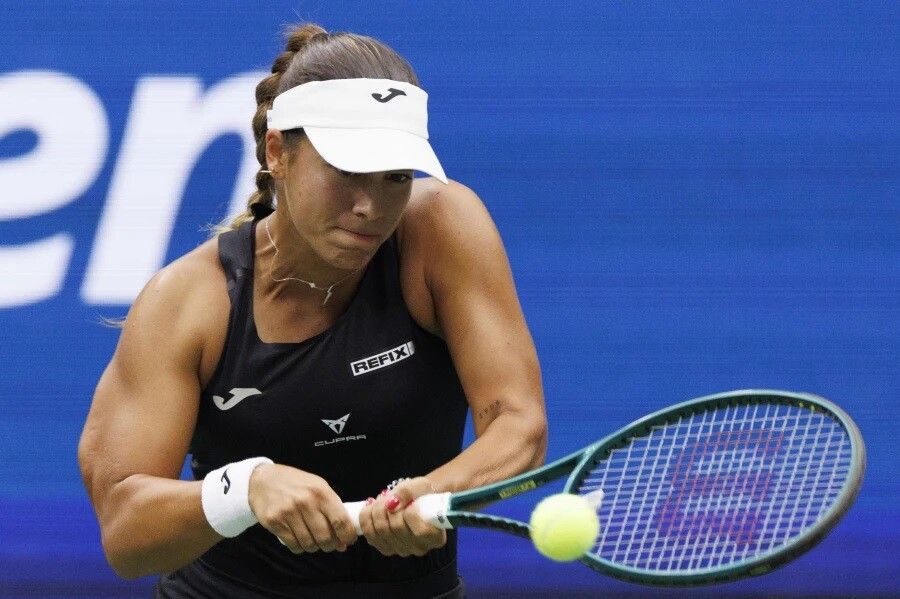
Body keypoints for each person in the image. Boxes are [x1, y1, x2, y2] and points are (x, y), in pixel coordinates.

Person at [78, 22, 547, 599]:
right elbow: (125, 534)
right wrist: (246, 488)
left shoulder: (442, 229)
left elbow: (518, 424)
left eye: (396, 176)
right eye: (347, 171)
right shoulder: (186, 302)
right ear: (280, 152)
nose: (370, 206)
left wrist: (434, 493)